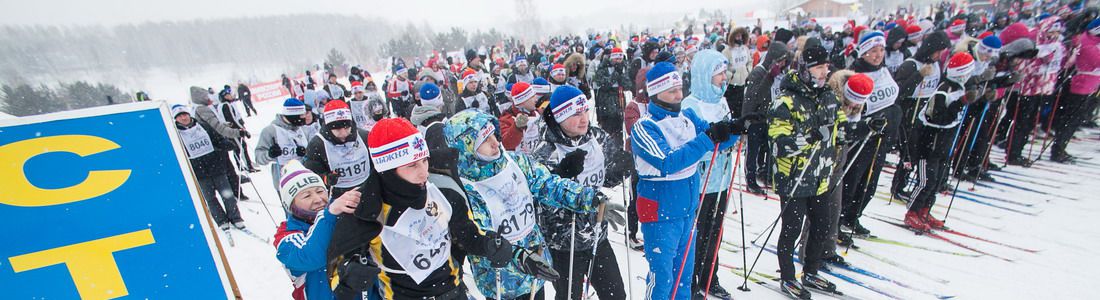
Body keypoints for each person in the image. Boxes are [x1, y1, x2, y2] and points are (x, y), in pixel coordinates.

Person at [361, 118, 554, 299]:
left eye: (424, 160)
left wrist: (513, 253)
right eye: (412, 166)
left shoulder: (442, 191)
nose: (423, 172)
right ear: (387, 170)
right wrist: (351, 274)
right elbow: (338, 269)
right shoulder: (364, 210)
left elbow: (470, 235)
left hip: (452, 292)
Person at [442, 109, 618, 300]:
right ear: (465, 148)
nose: (495, 142)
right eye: (484, 140)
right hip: (501, 280)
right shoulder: (465, 187)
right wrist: (519, 257)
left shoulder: (515, 161)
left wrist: (589, 198)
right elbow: (480, 236)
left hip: (534, 266)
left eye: (493, 134)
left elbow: (548, 185)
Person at [631, 62, 744, 300]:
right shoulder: (645, 127)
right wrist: (708, 137)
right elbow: (668, 162)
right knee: (662, 279)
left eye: (680, 89)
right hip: (660, 215)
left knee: (683, 277)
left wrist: (734, 128)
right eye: (671, 91)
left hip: (686, 210)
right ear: (655, 92)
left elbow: (716, 140)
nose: (678, 95)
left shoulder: (688, 117)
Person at [530, 86, 629, 300]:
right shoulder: (546, 151)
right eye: (575, 114)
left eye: (585, 111)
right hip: (564, 244)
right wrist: (561, 174)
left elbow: (605, 179)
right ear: (559, 117)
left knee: (616, 295)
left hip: (596, 235)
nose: (584, 119)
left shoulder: (597, 137)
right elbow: (539, 199)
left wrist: (622, 168)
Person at [767, 45, 847, 299]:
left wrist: (859, 129)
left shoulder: (828, 96)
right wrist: (810, 137)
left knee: (823, 224)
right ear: (805, 69)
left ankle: (811, 271)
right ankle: (788, 276)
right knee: (791, 228)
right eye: (819, 67)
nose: (825, 72)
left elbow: (839, 125)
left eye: (826, 67)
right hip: (794, 177)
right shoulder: (785, 101)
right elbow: (778, 145)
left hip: (820, 175)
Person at [680, 49, 739, 300]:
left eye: (725, 73)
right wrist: (720, 141)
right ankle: (691, 281)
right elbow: (690, 146)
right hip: (700, 181)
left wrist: (736, 133)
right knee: (698, 232)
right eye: (719, 74)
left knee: (716, 232)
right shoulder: (690, 104)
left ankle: (709, 278)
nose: (724, 78)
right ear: (705, 75)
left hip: (721, 178)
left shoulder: (722, 101)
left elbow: (728, 132)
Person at [272, 160, 371, 300]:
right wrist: (328, 215)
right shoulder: (286, 236)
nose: (318, 199)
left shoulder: (341, 213)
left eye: (320, 191)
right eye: (307, 195)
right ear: (291, 204)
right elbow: (311, 257)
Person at [838, 31, 903, 240]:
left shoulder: (884, 72)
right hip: (861, 135)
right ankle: (838, 219)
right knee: (852, 178)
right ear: (864, 52)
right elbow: (849, 107)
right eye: (873, 51)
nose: (878, 55)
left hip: (880, 136)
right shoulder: (854, 72)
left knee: (870, 181)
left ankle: (853, 215)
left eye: (881, 50)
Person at [905, 52, 977, 231]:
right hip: (930, 145)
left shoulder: (960, 87)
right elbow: (936, 119)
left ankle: (925, 209)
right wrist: (960, 103)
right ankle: (912, 212)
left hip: (944, 145)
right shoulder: (944, 90)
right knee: (926, 181)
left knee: (937, 181)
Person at [890, 31, 952, 202]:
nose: (939, 55)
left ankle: (916, 184)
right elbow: (899, 92)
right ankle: (898, 186)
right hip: (909, 112)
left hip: (925, 112)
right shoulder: (911, 64)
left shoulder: (937, 64)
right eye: (937, 51)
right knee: (909, 153)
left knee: (921, 152)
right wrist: (918, 76)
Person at [172, 104, 245, 230]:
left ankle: (235, 218)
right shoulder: (176, 135)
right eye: (180, 116)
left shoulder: (203, 126)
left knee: (227, 195)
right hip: (199, 173)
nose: (183, 118)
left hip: (216, 167)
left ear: (189, 114)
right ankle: (221, 220)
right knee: (210, 198)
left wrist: (227, 144)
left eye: (185, 114)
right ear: (176, 119)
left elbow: (217, 140)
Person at [742, 41, 791, 194]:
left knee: (769, 149)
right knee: (753, 152)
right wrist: (746, 121)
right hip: (756, 119)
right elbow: (754, 97)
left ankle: (767, 175)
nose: (782, 64)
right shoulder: (759, 72)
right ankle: (750, 180)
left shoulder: (780, 74)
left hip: (770, 118)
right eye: (780, 60)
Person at [1051, 19, 1100, 163]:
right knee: (1071, 118)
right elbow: (1095, 61)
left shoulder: (1091, 40)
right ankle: (1058, 149)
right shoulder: (1087, 42)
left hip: (1089, 84)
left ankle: (1060, 147)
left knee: (1075, 118)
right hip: (1082, 84)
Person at [304, 100, 373, 198]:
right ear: (328, 128)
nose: (343, 133)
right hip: (339, 195)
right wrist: (326, 178)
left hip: (368, 189)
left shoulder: (363, 136)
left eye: (346, 127)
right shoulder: (318, 144)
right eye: (337, 129)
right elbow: (310, 173)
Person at [255, 98, 312, 193]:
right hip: (285, 182)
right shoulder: (271, 131)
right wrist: (270, 154)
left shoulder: (302, 129)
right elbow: (258, 158)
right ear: (292, 116)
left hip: (306, 178)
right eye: (301, 115)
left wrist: (306, 152)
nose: (304, 118)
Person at [499, 82, 543, 153]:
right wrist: (517, 128)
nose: (536, 99)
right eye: (532, 97)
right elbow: (506, 145)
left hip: (538, 158)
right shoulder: (506, 119)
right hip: (520, 161)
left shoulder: (538, 113)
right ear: (522, 101)